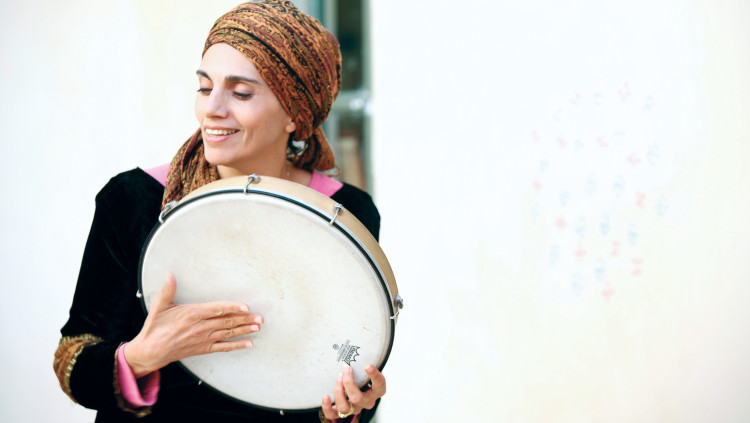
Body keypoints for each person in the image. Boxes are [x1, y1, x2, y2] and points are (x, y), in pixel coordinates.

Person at [53, 1, 386, 421]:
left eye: (241, 92)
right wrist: (141, 355)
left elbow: (346, 375)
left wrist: (353, 405)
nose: (212, 108)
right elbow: (73, 366)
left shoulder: (345, 213)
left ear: (295, 114)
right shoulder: (134, 199)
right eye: (204, 87)